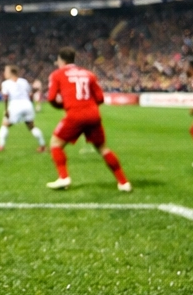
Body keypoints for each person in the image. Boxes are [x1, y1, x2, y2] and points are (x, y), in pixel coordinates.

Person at [44, 47, 131, 192]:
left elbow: (51, 98)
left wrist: (64, 106)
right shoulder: (88, 74)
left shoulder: (57, 74)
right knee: (103, 148)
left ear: (61, 60)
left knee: (55, 144)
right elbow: (100, 98)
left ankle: (63, 177)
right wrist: (87, 106)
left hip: (75, 114)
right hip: (93, 114)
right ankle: (123, 182)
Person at [0, 65, 45, 152]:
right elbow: (30, 93)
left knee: (5, 125)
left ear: (11, 72)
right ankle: (42, 146)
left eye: (6, 71)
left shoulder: (5, 83)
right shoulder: (24, 81)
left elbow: (5, 97)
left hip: (15, 105)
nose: (4, 73)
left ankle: (0, 146)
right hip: (27, 105)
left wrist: (6, 109)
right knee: (31, 126)